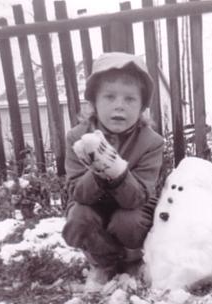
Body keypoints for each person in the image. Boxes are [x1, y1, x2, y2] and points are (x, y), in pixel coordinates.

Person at [62, 52, 164, 288]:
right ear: (94, 104)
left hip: (133, 206)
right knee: (79, 217)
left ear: (142, 107)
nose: (119, 105)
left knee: (126, 221)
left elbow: (137, 197)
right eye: (109, 97)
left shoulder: (151, 142)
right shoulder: (77, 137)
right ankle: (102, 262)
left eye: (130, 99)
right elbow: (77, 192)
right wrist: (97, 169)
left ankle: (131, 261)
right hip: (91, 203)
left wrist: (115, 169)